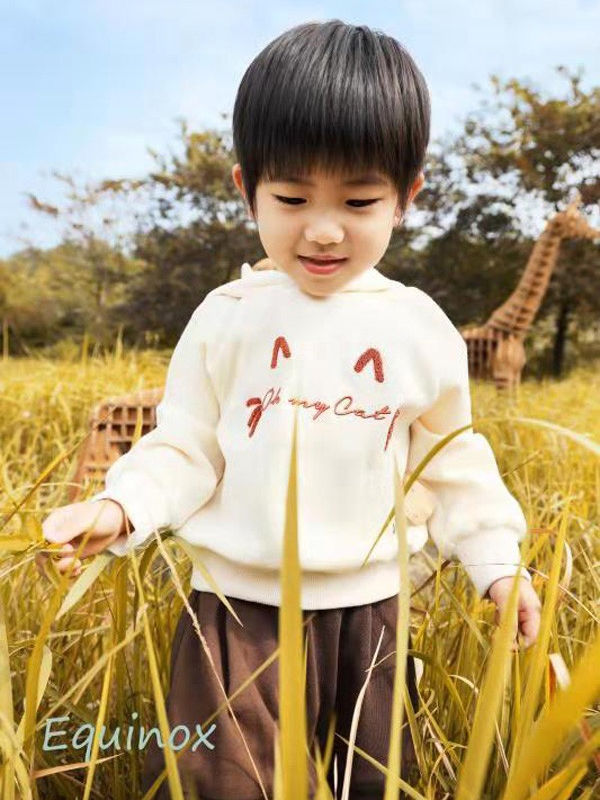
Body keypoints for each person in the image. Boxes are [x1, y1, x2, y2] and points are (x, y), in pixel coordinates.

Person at [40, 19, 542, 800]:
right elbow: (187, 448)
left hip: (370, 611)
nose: (323, 228)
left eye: (360, 198)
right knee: (220, 782)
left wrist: (498, 567)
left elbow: (455, 465)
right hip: (234, 615)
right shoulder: (227, 315)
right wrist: (120, 508)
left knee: (363, 782)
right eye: (292, 196)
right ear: (247, 190)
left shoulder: (418, 329)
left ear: (406, 197)